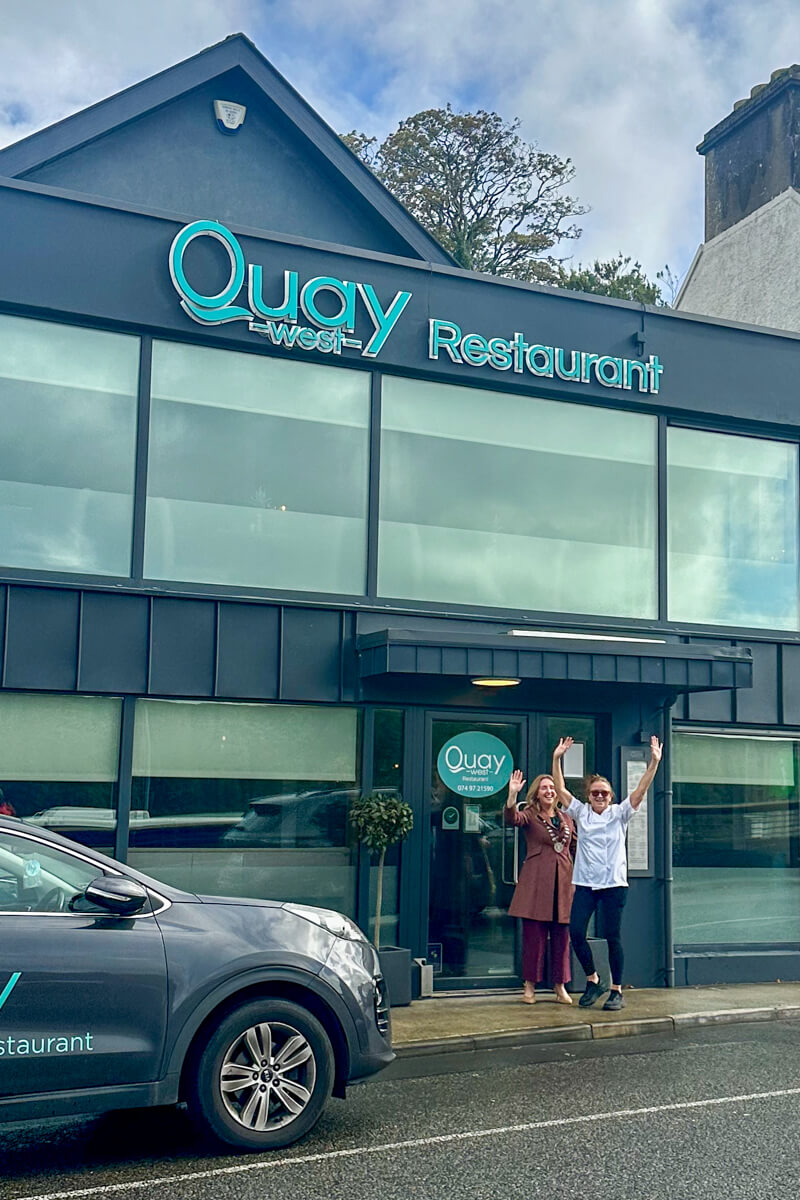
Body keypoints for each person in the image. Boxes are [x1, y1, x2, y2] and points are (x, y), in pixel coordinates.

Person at [551, 735, 662, 1012]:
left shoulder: (620, 813)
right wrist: (556, 758)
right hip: (586, 884)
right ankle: (593, 980)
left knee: (613, 936)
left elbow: (640, 790)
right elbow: (561, 788)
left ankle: (616, 990)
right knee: (575, 932)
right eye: (595, 793)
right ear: (588, 796)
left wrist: (654, 763)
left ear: (611, 796)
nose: (599, 796)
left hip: (613, 885)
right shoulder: (580, 813)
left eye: (604, 793)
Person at [505, 769, 576, 1005]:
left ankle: (560, 985)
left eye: (552, 788)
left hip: (563, 886)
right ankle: (529, 985)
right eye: (545, 787)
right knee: (534, 937)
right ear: (537, 793)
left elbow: (576, 849)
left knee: (561, 938)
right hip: (536, 886)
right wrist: (512, 797)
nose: (549, 791)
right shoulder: (530, 815)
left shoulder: (566, 818)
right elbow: (512, 819)